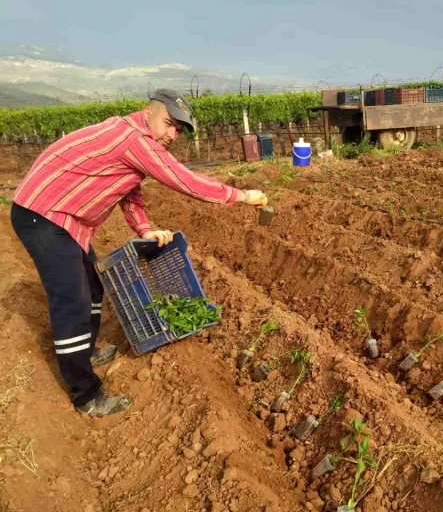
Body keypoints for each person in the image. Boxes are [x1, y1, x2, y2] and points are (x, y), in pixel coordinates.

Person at [11, 89, 267, 418]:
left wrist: (144, 229)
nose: (173, 134)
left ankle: (86, 352)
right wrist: (242, 195)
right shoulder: (134, 139)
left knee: (91, 287)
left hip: (65, 217)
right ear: (148, 112)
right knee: (71, 302)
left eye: (179, 130)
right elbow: (184, 180)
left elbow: (128, 189)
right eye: (169, 124)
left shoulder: (130, 137)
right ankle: (86, 395)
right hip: (43, 215)